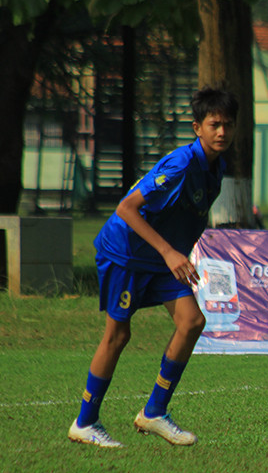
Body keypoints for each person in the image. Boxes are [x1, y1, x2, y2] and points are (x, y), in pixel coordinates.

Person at [67, 88, 238, 448]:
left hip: (160, 257)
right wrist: (169, 253)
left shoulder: (215, 166)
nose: (221, 132)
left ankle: (154, 412)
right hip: (126, 253)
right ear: (197, 127)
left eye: (227, 125)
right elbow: (126, 208)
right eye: (214, 124)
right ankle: (85, 422)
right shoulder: (181, 164)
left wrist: (178, 253)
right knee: (117, 335)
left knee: (192, 322)